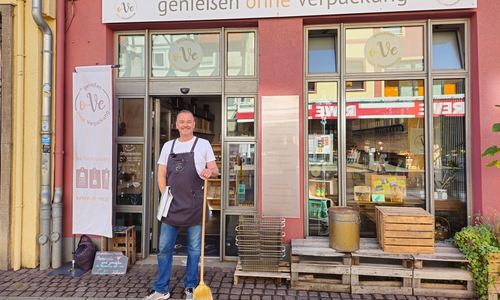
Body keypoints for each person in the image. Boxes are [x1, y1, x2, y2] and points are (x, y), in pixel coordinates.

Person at [144, 110, 219, 300]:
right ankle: (161, 288)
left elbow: (215, 170)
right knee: (164, 248)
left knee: (194, 249)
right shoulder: (168, 146)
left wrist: (211, 172)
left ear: (194, 124)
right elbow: (161, 174)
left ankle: (191, 286)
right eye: (182, 122)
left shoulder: (203, 144)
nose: (185, 125)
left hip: (195, 205)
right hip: (172, 205)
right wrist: (165, 197)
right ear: (176, 125)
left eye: (188, 122)